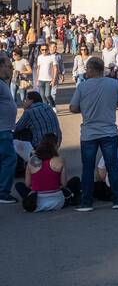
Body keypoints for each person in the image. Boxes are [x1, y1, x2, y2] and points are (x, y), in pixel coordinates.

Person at [69, 55, 118, 210]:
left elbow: (73, 108)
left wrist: (86, 107)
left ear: (90, 69)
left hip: (89, 132)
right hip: (108, 131)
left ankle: (87, 202)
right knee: (112, 166)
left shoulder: (82, 87)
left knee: (88, 168)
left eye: (87, 68)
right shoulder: (113, 84)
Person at [15, 132, 81, 212]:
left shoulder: (32, 160)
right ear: (56, 145)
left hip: (36, 202)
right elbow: (64, 184)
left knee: (19, 185)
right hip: (57, 202)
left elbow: (28, 184)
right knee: (76, 180)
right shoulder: (59, 160)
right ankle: (75, 199)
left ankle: (30, 202)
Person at [0, 52, 18, 204]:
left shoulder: (3, 83)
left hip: (5, 129)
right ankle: (3, 192)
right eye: (9, 66)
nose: (11, 69)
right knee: (9, 159)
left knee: (5, 160)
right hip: (2, 130)